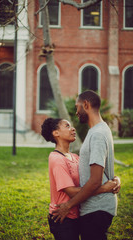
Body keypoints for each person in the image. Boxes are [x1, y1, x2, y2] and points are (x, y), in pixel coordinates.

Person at [52, 90, 119, 240]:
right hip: (94, 207)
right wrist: (116, 179)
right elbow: (105, 168)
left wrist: (68, 205)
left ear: (86, 105)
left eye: (77, 107)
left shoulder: (97, 134)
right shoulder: (98, 131)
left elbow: (95, 180)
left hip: (97, 208)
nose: (76, 112)